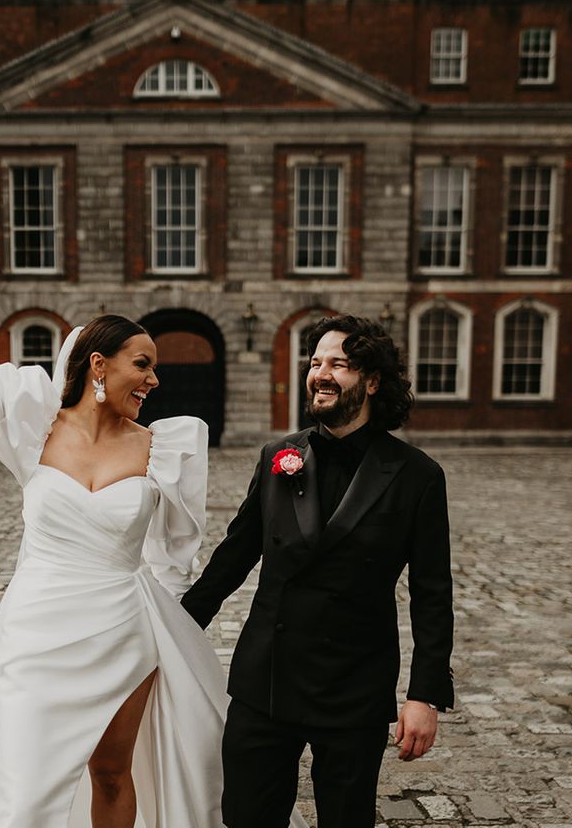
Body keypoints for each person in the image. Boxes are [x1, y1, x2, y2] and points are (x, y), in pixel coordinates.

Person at [0, 232, 301, 828]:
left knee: (112, 772)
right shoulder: (29, 426)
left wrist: (167, 622)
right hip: (36, 629)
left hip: (125, 628)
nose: (154, 381)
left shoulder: (167, 448)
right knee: (25, 782)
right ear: (99, 364)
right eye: (142, 364)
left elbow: (177, 552)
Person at [181, 315, 455, 828]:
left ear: (372, 381)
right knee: (246, 817)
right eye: (315, 363)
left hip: (354, 686)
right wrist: (171, 629)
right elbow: (233, 558)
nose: (320, 374)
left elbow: (432, 593)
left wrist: (425, 694)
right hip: (266, 682)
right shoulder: (279, 457)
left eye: (339, 364)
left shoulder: (417, 476)